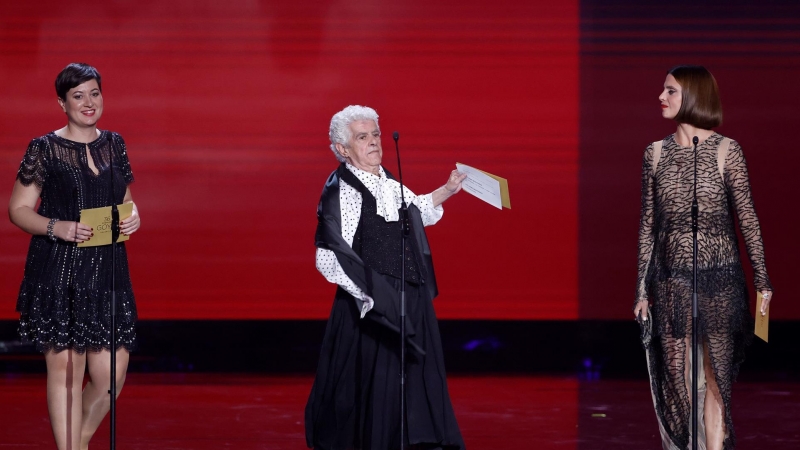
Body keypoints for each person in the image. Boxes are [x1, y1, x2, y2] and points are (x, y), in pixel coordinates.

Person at [305, 105, 467, 450]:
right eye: (362, 137)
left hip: (408, 293)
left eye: (376, 134)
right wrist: (368, 296)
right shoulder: (343, 190)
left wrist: (448, 189)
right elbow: (329, 255)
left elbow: (416, 211)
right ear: (342, 149)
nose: (374, 142)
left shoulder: (385, 179)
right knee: (375, 382)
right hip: (373, 302)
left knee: (409, 377)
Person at [635, 65, 772, 450]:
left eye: (670, 91)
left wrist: (763, 281)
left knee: (716, 380)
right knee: (678, 379)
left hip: (720, 279)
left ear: (693, 96)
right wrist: (640, 291)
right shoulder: (655, 154)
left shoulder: (728, 150)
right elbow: (648, 226)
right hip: (670, 280)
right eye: (664, 90)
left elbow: (747, 217)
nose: (661, 98)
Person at [8, 63, 140, 450]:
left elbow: (125, 201)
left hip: (107, 272)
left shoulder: (114, 143)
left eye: (94, 93)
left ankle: (76, 441)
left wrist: (133, 217)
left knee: (111, 373)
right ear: (62, 103)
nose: (88, 102)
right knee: (67, 372)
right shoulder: (45, 148)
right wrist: (57, 226)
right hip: (59, 271)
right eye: (78, 96)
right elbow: (18, 209)